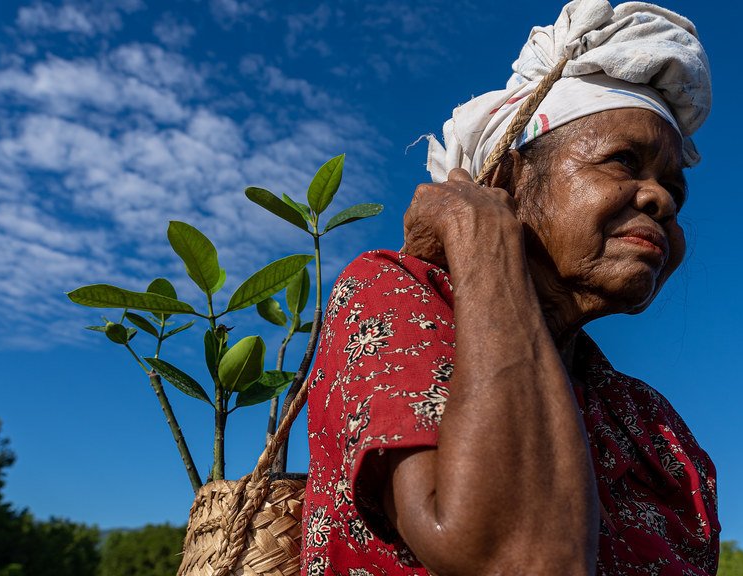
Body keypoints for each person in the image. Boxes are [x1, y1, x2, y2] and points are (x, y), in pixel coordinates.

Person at [301, 1, 719, 574]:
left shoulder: (652, 427)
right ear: (507, 183)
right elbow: (521, 557)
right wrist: (485, 238)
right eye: (624, 162)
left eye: (674, 188)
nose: (662, 200)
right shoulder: (396, 293)